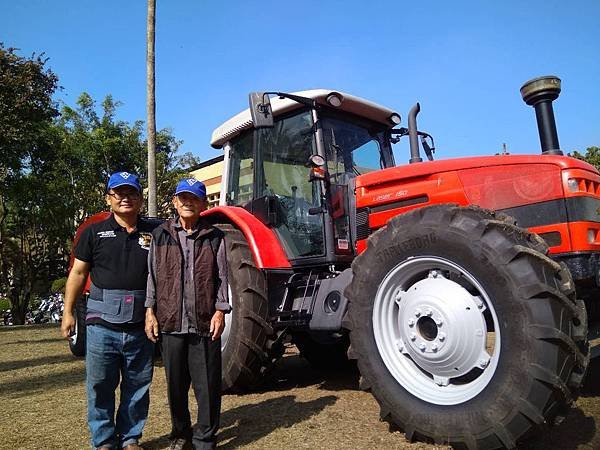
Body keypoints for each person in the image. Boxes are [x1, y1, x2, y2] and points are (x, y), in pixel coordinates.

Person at [61, 171, 157, 450]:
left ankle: (130, 439)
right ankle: (103, 441)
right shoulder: (93, 233)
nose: (125, 198)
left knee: (137, 386)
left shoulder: (155, 232)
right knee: (100, 386)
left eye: (131, 193)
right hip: (101, 325)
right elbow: (78, 273)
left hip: (141, 325)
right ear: (109, 198)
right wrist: (68, 313)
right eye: (119, 193)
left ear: (140, 198)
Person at [145, 178, 230, 450]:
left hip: (204, 322)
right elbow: (152, 276)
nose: (187, 202)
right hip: (170, 322)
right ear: (174, 202)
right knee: (176, 387)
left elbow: (222, 278)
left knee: (207, 386)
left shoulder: (215, 237)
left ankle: (205, 438)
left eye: (194, 198)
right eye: (182, 197)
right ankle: (181, 435)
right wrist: (149, 310)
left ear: (204, 203)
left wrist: (220, 311)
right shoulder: (161, 235)